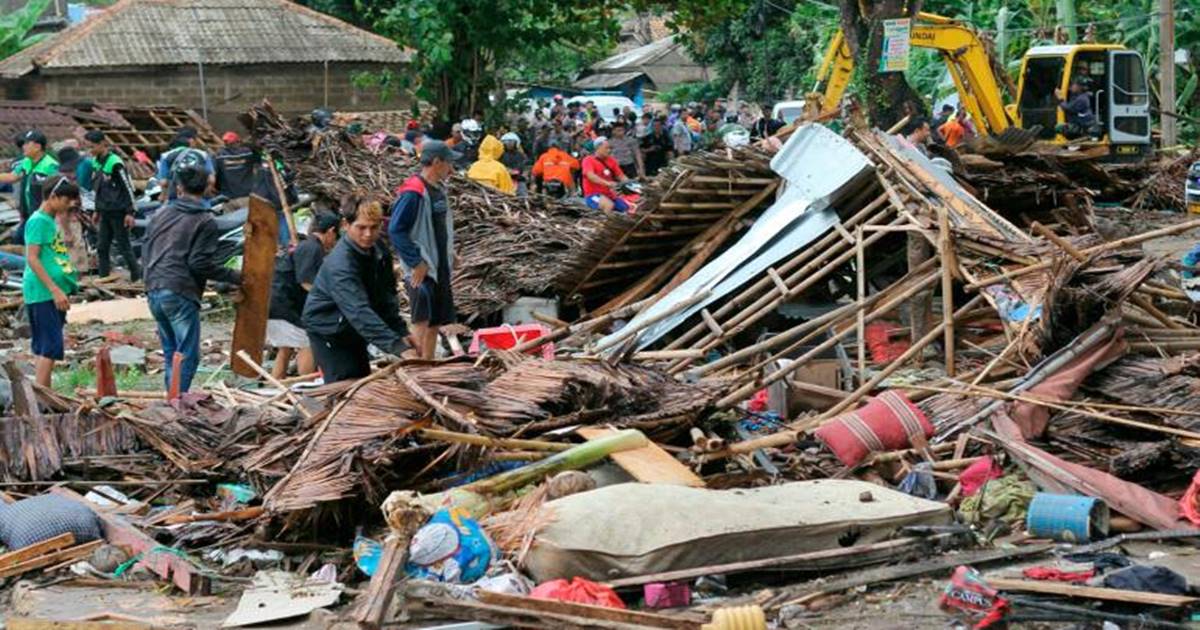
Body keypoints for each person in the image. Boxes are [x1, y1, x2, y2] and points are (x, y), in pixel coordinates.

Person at [143, 153, 241, 395]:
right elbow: (199, 263)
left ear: (178, 187)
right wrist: (235, 276)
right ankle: (177, 405)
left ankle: (171, 401)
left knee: (170, 353)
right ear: (208, 186)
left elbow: (146, 249)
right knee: (187, 355)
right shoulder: (204, 220)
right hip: (178, 289)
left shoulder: (161, 213)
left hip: (154, 287)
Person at [303, 196, 409, 381]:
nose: (368, 234)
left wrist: (402, 332)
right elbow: (358, 310)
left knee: (360, 379)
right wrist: (398, 346)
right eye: (361, 227)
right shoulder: (341, 263)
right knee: (343, 384)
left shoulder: (378, 250)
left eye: (373, 227)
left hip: (352, 327)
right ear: (346, 225)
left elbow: (386, 296)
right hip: (329, 328)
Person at [388, 140, 459, 360]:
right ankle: (416, 367)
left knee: (435, 320)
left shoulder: (438, 190)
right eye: (448, 163)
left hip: (439, 266)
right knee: (422, 320)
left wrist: (450, 252)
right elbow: (396, 230)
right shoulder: (413, 192)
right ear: (436, 162)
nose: (451, 169)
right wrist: (416, 261)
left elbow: (439, 227)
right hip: (423, 269)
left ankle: (428, 365)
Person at [267, 211, 339, 380]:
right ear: (331, 231)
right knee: (309, 341)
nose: (335, 242)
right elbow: (306, 281)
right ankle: (307, 385)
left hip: (274, 303)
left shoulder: (307, 246)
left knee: (286, 348)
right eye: (336, 236)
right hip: (284, 305)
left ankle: (277, 387)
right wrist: (330, 300)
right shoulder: (312, 247)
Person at [23, 175, 79, 387]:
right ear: (53, 197)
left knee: (46, 347)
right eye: (66, 200)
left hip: (50, 291)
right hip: (43, 292)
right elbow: (32, 258)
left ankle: (45, 397)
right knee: (51, 346)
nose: (70, 204)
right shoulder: (38, 221)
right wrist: (54, 289)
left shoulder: (48, 220)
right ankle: (41, 399)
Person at [84, 130, 141, 281]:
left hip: (119, 211)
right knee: (102, 247)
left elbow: (128, 187)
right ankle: (104, 277)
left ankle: (137, 277)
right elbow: (98, 188)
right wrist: (97, 209)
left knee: (124, 246)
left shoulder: (115, 162)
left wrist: (130, 212)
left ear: (102, 144)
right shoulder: (96, 162)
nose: (90, 150)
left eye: (92, 147)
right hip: (105, 211)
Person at [0, 130, 60, 245]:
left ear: (37, 147)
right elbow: (13, 177)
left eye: (27, 144)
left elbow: (57, 192)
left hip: (43, 216)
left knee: (37, 246)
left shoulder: (51, 166)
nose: (23, 147)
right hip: (29, 214)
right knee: (20, 240)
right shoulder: (27, 162)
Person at [251, 153, 299, 247]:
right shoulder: (273, 171)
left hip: (265, 203)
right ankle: (286, 246)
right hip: (274, 204)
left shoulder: (262, 171)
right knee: (282, 225)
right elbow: (281, 186)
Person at [156, 127, 215, 201]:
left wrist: (162, 196)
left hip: (176, 201)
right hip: (200, 201)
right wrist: (205, 195)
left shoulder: (166, 156)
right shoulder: (203, 155)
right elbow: (211, 180)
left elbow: (164, 182)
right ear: (190, 141)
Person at [582, 138, 631, 213]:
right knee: (608, 205)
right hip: (593, 195)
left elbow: (621, 176)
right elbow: (590, 176)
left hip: (609, 194)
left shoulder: (611, 160)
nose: (609, 150)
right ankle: (608, 224)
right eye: (606, 148)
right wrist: (607, 183)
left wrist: (630, 184)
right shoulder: (588, 160)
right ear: (598, 148)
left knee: (626, 208)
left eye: (610, 148)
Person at [213, 131, 257, 202]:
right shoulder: (247, 153)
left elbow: (215, 176)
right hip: (247, 195)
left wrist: (218, 190)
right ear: (237, 142)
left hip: (228, 197)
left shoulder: (220, 156)